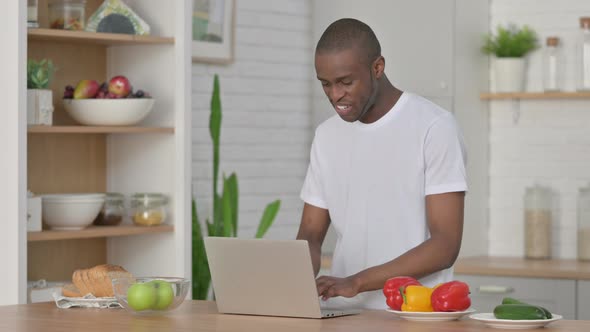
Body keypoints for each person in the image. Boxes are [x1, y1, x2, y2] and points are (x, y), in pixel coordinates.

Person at [296, 18, 467, 310]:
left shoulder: (434, 127)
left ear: (377, 67)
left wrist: (356, 282)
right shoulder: (326, 136)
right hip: (341, 313)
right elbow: (311, 235)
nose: (335, 95)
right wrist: (291, 281)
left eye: (345, 82)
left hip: (413, 314)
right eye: (326, 84)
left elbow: (445, 246)